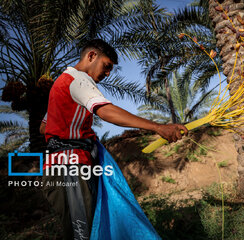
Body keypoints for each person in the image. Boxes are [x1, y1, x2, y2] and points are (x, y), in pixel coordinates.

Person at [40, 39, 188, 239]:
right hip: (71, 167)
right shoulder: (78, 79)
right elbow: (106, 111)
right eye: (106, 66)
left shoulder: (60, 84)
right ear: (91, 56)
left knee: (83, 231)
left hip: (59, 167)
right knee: (84, 235)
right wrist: (158, 127)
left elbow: (43, 127)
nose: (108, 73)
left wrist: (71, 135)